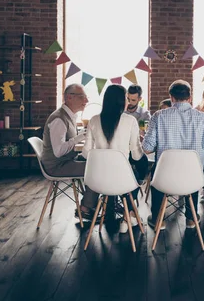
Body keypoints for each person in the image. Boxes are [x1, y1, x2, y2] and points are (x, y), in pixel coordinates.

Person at [142, 80, 204, 230]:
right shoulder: (203, 118)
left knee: (156, 171)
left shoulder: (159, 116)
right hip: (194, 178)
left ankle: (159, 218)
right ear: (190, 98)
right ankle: (191, 218)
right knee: (193, 168)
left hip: (165, 178)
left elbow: (146, 148)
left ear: (171, 97)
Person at [81, 85, 149, 233]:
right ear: (121, 101)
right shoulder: (130, 121)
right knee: (140, 167)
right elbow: (136, 154)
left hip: (97, 180)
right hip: (123, 180)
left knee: (131, 171)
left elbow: (86, 154)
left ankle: (127, 213)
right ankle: (129, 213)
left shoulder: (93, 120)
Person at [41, 84, 90, 221]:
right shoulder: (59, 119)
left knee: (94, 161)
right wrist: (80, 137)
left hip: (66, 161)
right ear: (69, 97)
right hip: (57, 166)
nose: (86, 101)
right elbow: (58, 151)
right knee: (96, 168)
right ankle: (87, 208)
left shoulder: (69, 116)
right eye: (82, 97)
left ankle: (90, 206)